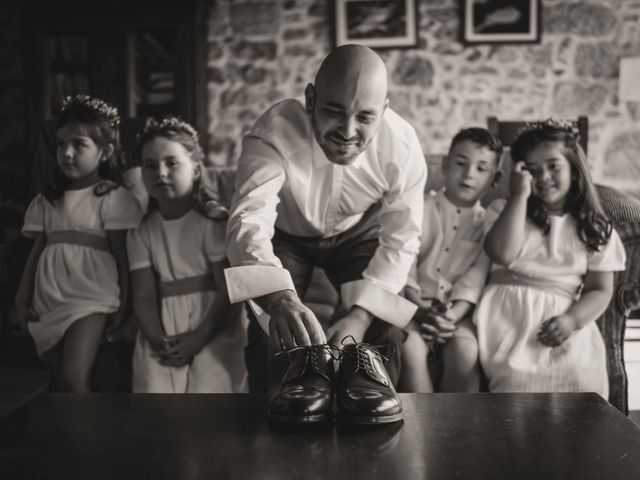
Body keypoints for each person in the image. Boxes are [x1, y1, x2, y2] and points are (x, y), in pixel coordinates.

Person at [224, 44, 426, 423]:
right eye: (333, 111)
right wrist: (280, 299)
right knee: (271, 334)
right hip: (287, 234)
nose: (348, 132)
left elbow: (402, 236)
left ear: (384, 110)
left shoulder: (402, 145)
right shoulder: (272, 133)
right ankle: (273, 422)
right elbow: (248, 220)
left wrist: (361, 317)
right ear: (311, 98)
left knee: (383, 332)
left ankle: (371, 415)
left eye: (365, 117)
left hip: (357, 231)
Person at [477, 118, 627, 396]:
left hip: (563, 318)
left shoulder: (594, 227)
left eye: (553, 166)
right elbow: (502, 254)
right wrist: (519, 195)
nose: (543, 177)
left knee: (581, 382)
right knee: (515, 385)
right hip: (509, 318)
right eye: (532, 170)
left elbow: (600, 290)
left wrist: (572, 320)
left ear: (574, 168)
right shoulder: (504, 210)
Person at [14, 94, 143, 392]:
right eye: (60, 144)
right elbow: (36, 253)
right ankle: (67, 436)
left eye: (79, 145)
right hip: (50, 296)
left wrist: (124, 306)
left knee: (74, 378)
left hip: (92, 296)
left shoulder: (111, 198)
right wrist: (22, 299)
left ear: (104, 152)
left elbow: (121, 255)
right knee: (58, 379)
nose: (67, 153)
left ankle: (86, 438)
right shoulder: (47, 201)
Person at [127, 117, 247, 393]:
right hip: (163, 323)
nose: (160, 172)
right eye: (150, 166)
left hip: (212, 321)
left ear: (194, 169)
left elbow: (227, 291)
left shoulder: (212, 223)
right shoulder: (141, 231)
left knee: (210, 386)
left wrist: (199, 336)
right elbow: (143, 295)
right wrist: (158, 339)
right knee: (153, 386)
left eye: (172, 163)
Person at [399, 128, 502, 393]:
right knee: (410, 346)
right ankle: (420, 425)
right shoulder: (419, 207)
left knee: (465, 351)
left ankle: (456, 429)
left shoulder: (488, 225)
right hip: (412, 306)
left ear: (494, 178)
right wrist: (421, 310)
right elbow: (405, 265)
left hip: (458, 313)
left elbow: (475, 279)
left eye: (481, 169)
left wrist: (451, 317)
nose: (469, 174)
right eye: (460, 163)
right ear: (445, 165)